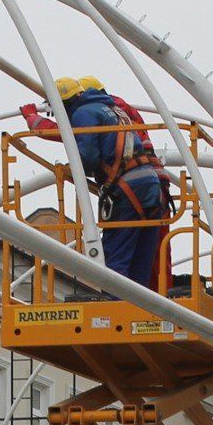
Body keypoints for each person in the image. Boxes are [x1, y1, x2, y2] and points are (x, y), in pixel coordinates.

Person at [57, 76, 173, 289]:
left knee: (117, 254)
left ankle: (115, 305)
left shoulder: (83, 113)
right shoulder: (114, 110)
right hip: (150, 184)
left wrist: (73, 169)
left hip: (128, 188)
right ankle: (139, 307)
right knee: (142, 258)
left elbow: (88, 156)